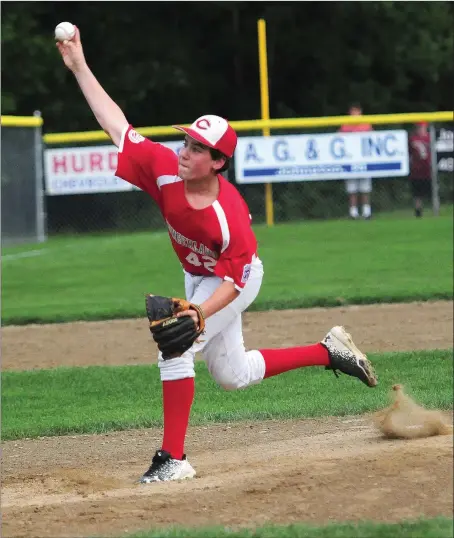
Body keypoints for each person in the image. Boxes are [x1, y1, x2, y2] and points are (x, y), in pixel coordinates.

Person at [56, 27, 378, 484]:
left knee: (176, 346)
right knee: (232, 374)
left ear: (218, 163)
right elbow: (116, 125)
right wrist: (79, 66)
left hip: (234, 282)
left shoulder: (230, 217)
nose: (184, 153)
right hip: (198, 278)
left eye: (196, 149)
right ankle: (329, 352)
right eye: (186, 143)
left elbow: (235, 280)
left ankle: (173, 458)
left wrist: (198, 314)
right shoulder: (165, 169)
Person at [339, 103, 373, 220]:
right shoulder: (345, 125)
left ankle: (366, 211)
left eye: (356, 111)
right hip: (350, 160)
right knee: (352, 189)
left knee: (365, 188)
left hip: (364, 159)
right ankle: (353, 212)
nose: (354, 114)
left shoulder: (366, 124)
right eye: (352, 111)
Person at [408, 122, 432, 218]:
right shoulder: (412, 138)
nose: (421, 128)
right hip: (416, 170)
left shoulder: (430, 137)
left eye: (422, 126)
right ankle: (418, 211)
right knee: (417, 193)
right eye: (419, 127)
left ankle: (434, 209)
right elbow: (409, 153)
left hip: (428, 169)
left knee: (430, 190)